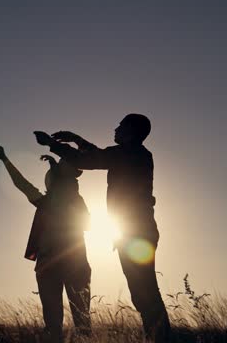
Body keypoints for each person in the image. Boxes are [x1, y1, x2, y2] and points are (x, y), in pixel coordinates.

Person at [34, 114, 173, 342]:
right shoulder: (133, 154)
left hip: (136, 234)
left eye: (121, 125)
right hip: (137, 232)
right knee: (144, 293)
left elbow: (88, 160)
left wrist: (52, 144)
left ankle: (161, 339)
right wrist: (76, 138)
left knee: (144, 294)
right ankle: (158, 337)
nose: (116, 128)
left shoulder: (129, 153)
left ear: (132, 131)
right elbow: (98, 154)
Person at [0, 143, 91, 342]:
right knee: (79, 322)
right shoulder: (72, 201)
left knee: (63, 324)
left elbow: (22, 184)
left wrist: (5, 160)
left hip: (54, 265)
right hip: (67, 265)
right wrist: (6, 160)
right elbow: (23, 184)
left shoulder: (54, 202)